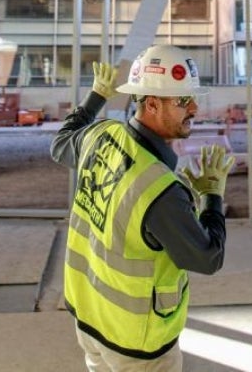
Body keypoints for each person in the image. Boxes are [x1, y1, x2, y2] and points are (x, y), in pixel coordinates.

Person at [51, 44, 234, 371]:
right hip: (136, 344)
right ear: (151, 104)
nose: (194, 107)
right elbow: (207, 257)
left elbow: (60, 143)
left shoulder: (100, 135)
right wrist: (212, 196)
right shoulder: (159, 188)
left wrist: (95, 98)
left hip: (89, 320)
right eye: (182, 100)